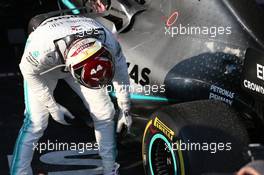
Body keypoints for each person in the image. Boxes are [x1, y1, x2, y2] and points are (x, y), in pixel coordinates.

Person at [11, 14, 132, 175]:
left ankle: (110, 169)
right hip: (46, 65)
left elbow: (121, 70)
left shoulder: (107, 40)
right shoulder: (41, 48)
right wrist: (52, 106)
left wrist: (125, 107)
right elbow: (27, 70)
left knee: (104, 113)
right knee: (36, 122)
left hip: (77, 55)